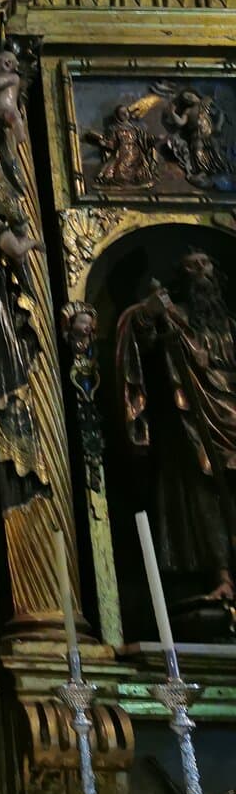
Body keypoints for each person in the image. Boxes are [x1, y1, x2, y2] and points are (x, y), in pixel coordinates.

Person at [117, 250, 236, 599]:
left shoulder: (230, 326)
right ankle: (221, 574)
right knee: (203, 492)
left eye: (205, 262)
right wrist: (147, 312)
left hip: (229, 410)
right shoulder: (176, 318)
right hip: (195, 417)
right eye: (191, 265)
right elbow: (140, 335)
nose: (200, 269)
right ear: (181, 276)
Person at [85, 102, 159, 187]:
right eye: (122, 113)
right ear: (117, 116)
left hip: (135, 151)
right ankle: (120, 183)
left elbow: (144, 139)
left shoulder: (135, 129)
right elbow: (112, 143)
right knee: (120, 168)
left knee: (138, 168)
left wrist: (153, 140)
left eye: (126, 112)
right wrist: (103, 142)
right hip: (122, 152)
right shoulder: (114, 129)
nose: (125, 114)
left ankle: (136, 182)